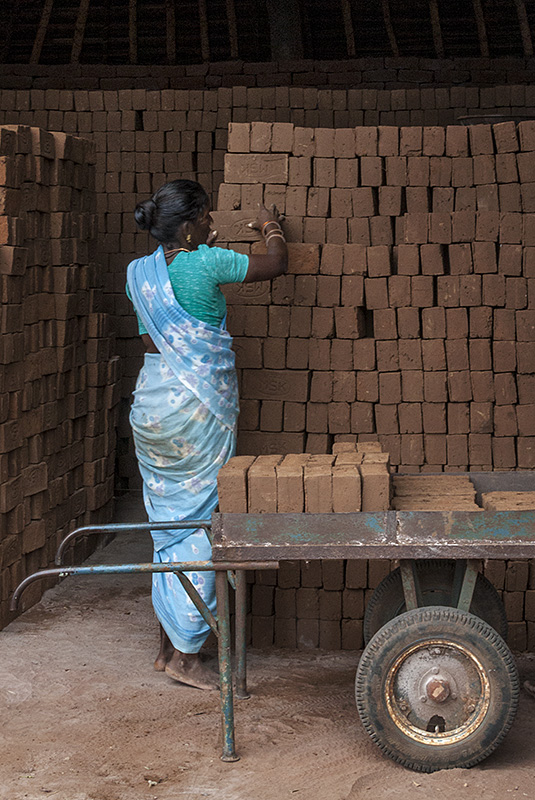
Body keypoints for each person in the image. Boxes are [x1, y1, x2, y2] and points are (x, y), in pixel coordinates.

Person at [126, 179, 287, 690]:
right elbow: (275, 265)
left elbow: (154, 338)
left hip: (152, 409)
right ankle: (187, 656)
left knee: (165, 524)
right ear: (192, 224)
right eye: (208, 217)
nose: (214, 223)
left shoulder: (138, 274)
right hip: (195, 412)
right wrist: (270, 227)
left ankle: (163, 646)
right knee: (198, 525)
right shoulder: (206, 262)